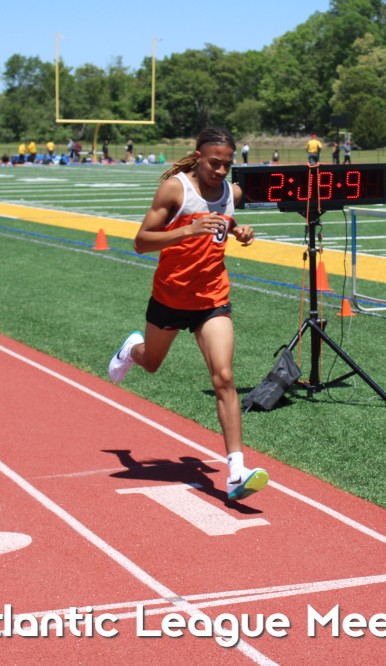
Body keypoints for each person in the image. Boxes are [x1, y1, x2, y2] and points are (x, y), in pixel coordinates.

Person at [107, 127, 268, 503]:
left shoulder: (231, 193)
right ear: (198, 157)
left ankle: (237, 471)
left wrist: (240, 232)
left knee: (224, 377)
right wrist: (188, 230)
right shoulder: (175, 190)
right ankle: (131, 350)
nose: (221, 171)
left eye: (227, 165)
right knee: (151, 363)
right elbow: (141, 242)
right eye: (215, 163)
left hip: (212, 298)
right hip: (170, 297)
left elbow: (224, 224)